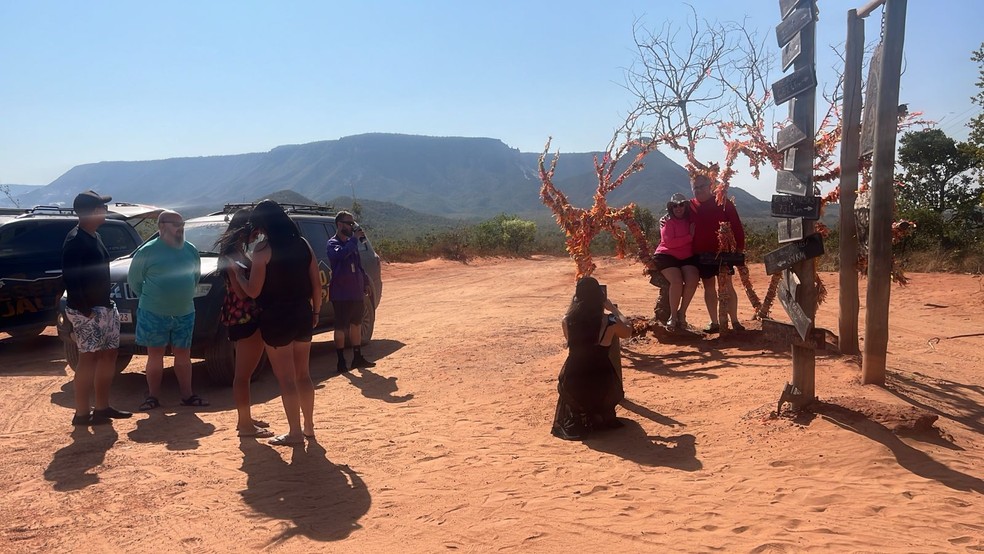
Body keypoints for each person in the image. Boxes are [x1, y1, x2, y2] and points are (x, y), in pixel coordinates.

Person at [235, 200, 322, 446]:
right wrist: (315, 312)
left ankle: (294, 432)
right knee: (304, 375)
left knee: (286, 379)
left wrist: (239, 275)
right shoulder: (303, 244)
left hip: (276, 317)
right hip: (302, 313)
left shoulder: (263, 250)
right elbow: (316, 283)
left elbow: (253, 290)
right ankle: (308, 427)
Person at [61, 190, 133, 426]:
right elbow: (71, 279)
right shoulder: (75, 240)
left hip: (104, 307)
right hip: (87, 311)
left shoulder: (94, 236)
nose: (105, 210)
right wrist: (85, 311)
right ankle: (82, 413)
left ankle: (102, 407)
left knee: (109, 355)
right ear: (92, 212)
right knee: (88, 359)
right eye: (101, 207)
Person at [128, 210, 206, 410]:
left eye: (182, 224)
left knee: (183, 355)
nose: (180, 228)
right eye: (176, 224)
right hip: (154, 313)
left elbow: (195, 278)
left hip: (185, 312)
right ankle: (152, 397)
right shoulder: (147, 251)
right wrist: (155, 299)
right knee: (155, 355)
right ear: (162, 226)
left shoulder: (190, 250)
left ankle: (187, 396)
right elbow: (134, 282)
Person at [214, 209, 272, 438]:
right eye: (254, 231)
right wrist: (246, 279)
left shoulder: (234, 252)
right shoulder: (232, 258)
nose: (256, 235)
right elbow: (242, 292)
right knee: (243, 373)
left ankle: (245, 418)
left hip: (240, 316)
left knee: (245, 372)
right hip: (245, 316)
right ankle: (245, 424)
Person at [551, 277, 631, 441]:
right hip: (600, 377)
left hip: (574, 377)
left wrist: (573, 304)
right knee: (601, 387)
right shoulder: (609, 322)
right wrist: (613, 310)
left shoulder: (567, 321)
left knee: (578, 390)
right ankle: (598, 416)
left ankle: (583, 417)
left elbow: (570, 341)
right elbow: (627, 331)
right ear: (600, 297)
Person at [690, 174, 745, 334]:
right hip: (702, 254)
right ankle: (714, 322)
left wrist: (739, 247)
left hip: (724, 252)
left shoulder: (723, 202)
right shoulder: (690, 206)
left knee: (728, 285)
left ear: (710, 186)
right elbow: (674, 215)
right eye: (695, 187)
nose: (698, 190)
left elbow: (736, 225)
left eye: (701, 186)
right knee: (709, 287)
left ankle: (734, 321)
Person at [326, 210, 375, 373]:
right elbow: (340, 255)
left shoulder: (351, 243)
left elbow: (359, 265)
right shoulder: (333, 243)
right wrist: (354, 240)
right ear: (340, 225)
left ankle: (357, 357)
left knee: (356, 324)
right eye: (350, 223)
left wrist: (366, 282)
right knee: (341, 327)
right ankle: (341, 361)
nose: (353, 226)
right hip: (341, 294)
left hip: (355, 292)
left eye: (353, 223)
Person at [653, 192, 700, 330]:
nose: (678, 208)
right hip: (667, 255)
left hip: (686, 256)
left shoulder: (690, 220)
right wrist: (689, 237)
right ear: (671, 208)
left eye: (681, 205)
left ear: (685, 206)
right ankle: (672, 316)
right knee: (676, 281)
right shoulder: (667, 222)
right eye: (675, 206)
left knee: (693, 280)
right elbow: (669, 242)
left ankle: (682, 313)